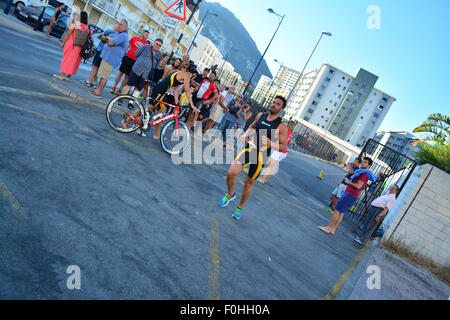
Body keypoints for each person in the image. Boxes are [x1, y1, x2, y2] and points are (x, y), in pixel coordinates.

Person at [218, 96, 288, 220]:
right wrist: (246, 134)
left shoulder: (281, 126)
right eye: (273, 102)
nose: (274, 105)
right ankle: (230, 194)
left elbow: (283, 147)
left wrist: (270, 143)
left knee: (248, 183)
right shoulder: (261, 115)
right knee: (231, 172)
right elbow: (252, 126)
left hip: (261, 155)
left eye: (277, 104)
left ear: (281, 109)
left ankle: (239, 208)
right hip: (250, 149)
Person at [121, 62, 199, 138]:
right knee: (149, 108)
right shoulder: (186, 76)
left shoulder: (181, 73)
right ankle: (127, 121)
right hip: (160, 90)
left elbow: (176, 90)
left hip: (162, 91)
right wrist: (192, 105)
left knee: (163, 111)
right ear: (194, 74)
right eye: (195, 77)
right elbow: (187, 91)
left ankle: (154, 131)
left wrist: (177, 104)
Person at [318, 157, 376, 235]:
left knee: (337, 210)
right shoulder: (362, 173)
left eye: (365, 163)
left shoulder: (364, 174)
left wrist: (348, 182)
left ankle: (328, 228)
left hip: (350, 194)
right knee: (341, 212)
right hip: (351, 194)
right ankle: (333, 229)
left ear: (369, 166)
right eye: (363, 162)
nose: (363, 163)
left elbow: (358, 186)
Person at [88, 20, 129, 98]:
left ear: (125, 27)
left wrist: (107, 39)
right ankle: (97, 90)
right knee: (102, 75)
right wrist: (107, 38)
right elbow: (103, 38)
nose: (119, 25)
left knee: (104, 76)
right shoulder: (118, 33)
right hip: (106, 57)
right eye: (119, 24)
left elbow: (111, 43)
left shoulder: (123, 35)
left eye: (121, 24)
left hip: (111, 60)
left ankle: (98, 92)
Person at [110, 30, 150, 95]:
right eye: (146, 34)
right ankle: (114, 87)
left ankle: (120, 89)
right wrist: (123, 54)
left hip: (135, 62)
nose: (147, 36)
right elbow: (127, 46)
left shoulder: (147, 44)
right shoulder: (134, 38)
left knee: (127, 76)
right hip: (127, 58)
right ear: (142, 34)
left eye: (147, 35)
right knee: (120, 73)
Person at [53, 11, 89, 82]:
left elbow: (68, 34)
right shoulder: (87, 28)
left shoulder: (75, 24)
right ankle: (68, 77)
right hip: (80, 46)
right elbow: (87, 38)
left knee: (67, 59)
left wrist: (63, 42)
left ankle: (62, 75)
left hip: (71, 44)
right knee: (74, 61)